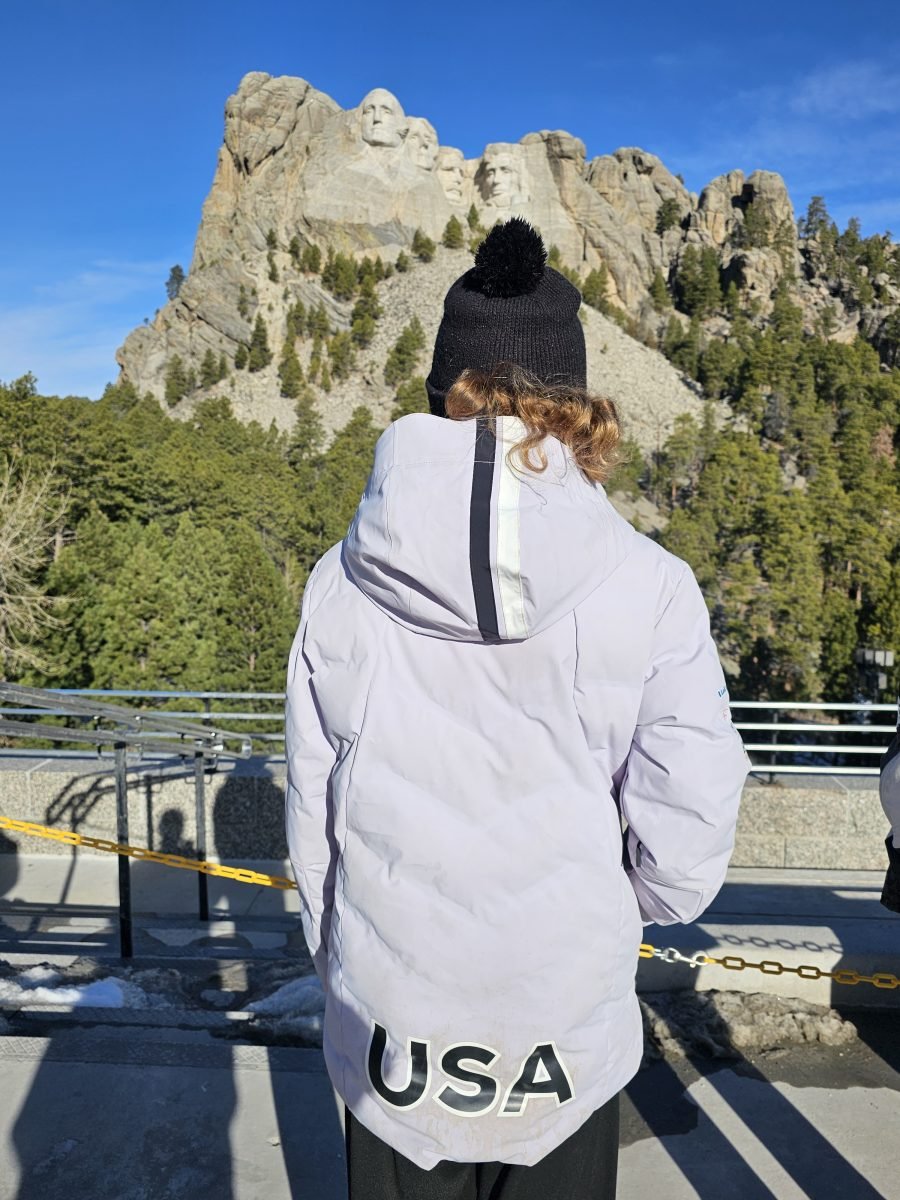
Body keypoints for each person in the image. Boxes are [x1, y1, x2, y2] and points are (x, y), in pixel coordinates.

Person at [284, 216, 750, 1199]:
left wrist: (344, 958)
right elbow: (691, 822)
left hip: (392, 1029)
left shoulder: (341, 580)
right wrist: (623, 907)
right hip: (563, 1028)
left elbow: (315, 811)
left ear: (440, 394)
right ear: (576, 401)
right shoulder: (651, 583)